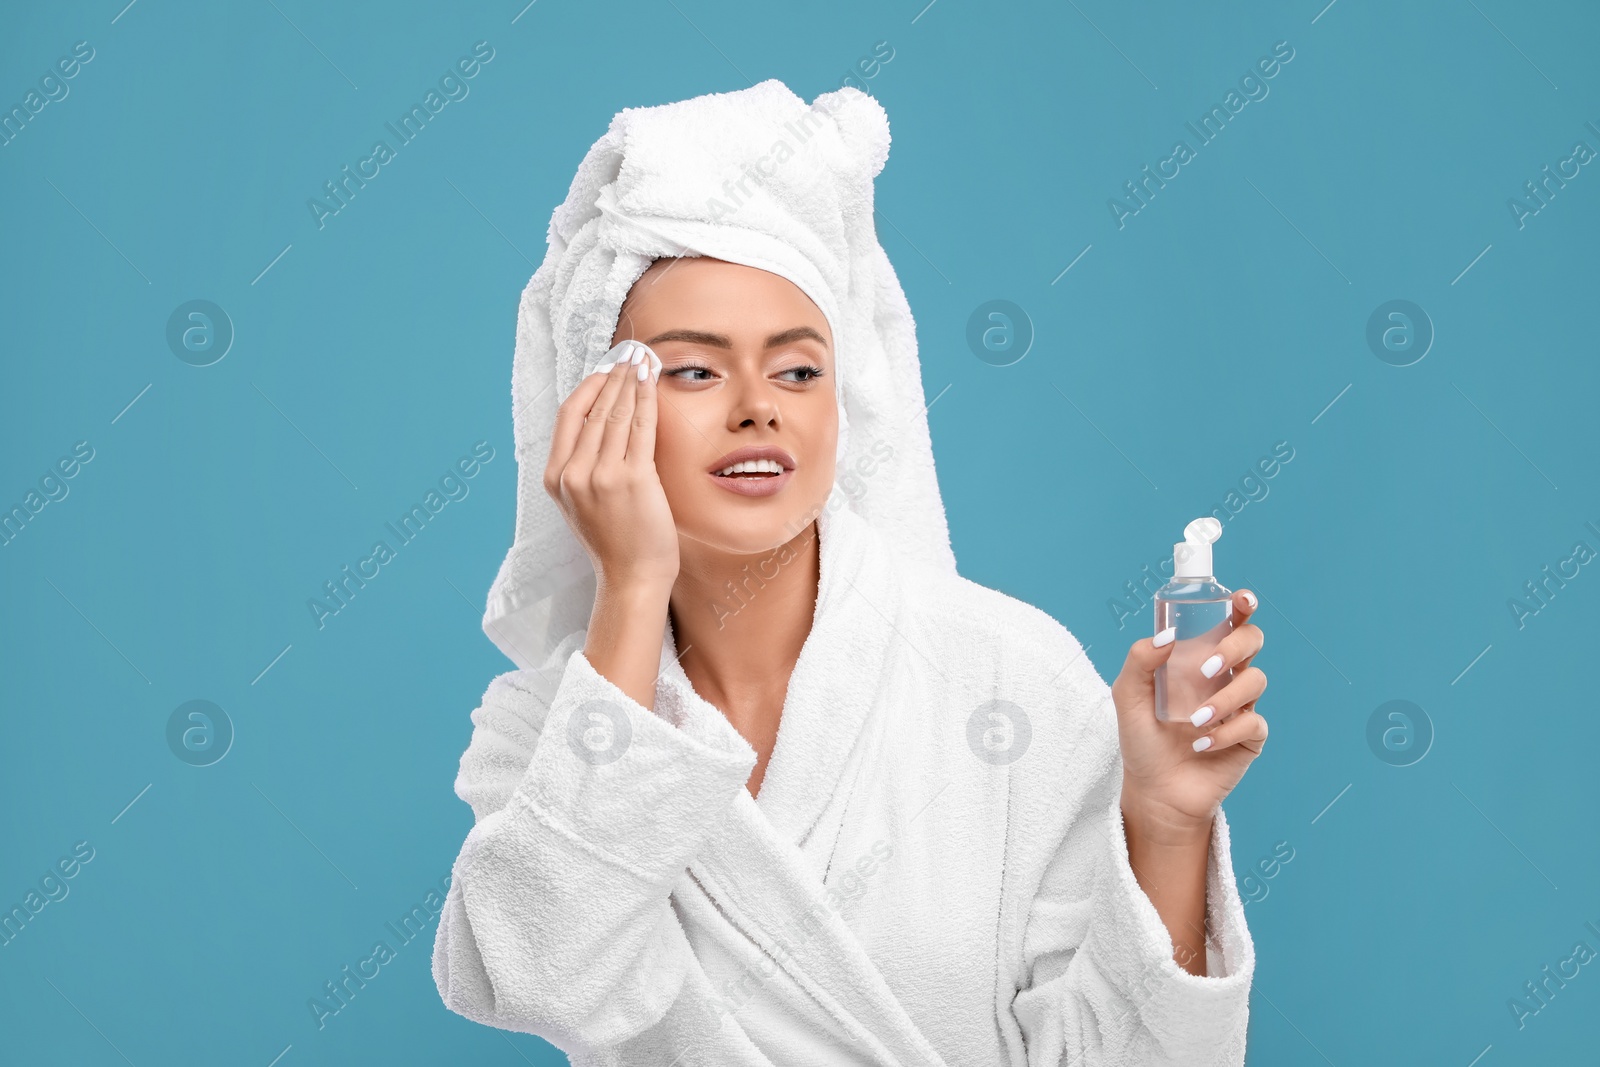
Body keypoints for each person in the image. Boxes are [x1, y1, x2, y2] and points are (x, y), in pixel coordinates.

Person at [433, 80, 1267, 1066]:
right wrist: (629, 588)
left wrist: (1167, 824)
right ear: (596, 416)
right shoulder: (538, 734)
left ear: (845, 401)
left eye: (796, 370)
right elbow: (546, 973)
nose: (758, 407)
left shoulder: (1012, 678)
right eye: (695, 370)